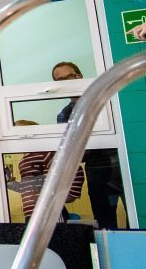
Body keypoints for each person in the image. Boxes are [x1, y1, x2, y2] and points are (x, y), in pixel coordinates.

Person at [48, 60, 124, 228]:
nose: (67, 83)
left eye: (70, 77)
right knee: (105, 224)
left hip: (125, 167)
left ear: (80, 76)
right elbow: (74, 153)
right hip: (98, 175)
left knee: (138, 215)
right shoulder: (65, 115)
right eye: (60, 81)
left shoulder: (107, 99)